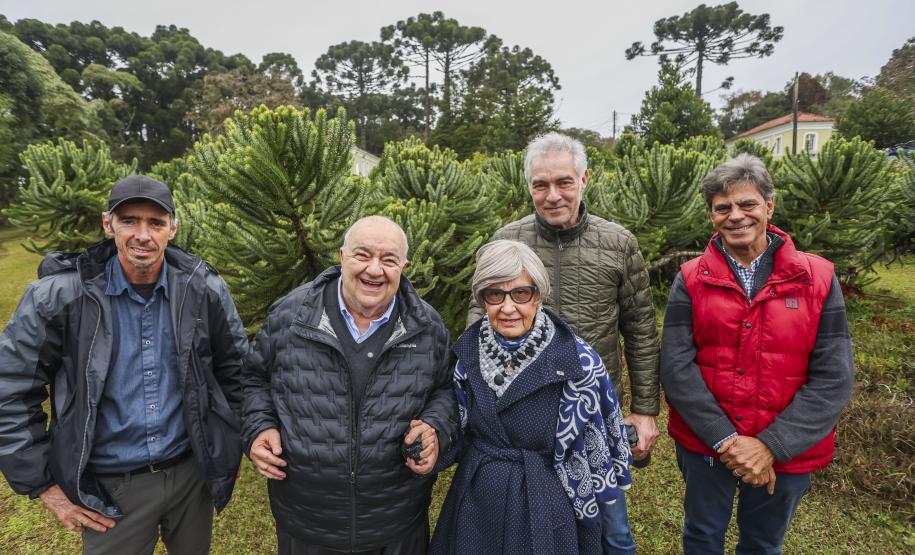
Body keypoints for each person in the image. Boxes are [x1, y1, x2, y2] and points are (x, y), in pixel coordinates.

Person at [0, 175, 250, 554]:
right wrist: (43, 486)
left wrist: (234, 441)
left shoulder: (203, 290)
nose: (143, 235)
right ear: (108, 223)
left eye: (156, 222)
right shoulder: (59, 297)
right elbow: (10, 391)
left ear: (173, 229)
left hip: (189, 475)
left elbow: (236, 371)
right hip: (111, 488)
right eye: (129, 220)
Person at [467, 132, 658, 554]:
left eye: (564, 182)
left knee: (614, 535)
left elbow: (641, 327)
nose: (552, 195)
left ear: (584, 179)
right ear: (529, 186)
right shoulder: (506, 241)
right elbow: (479, 325)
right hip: (523, 423)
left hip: (591, 418)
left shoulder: (618, 243)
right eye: (540, 185)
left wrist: (644, 410)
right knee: (528, 531)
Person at [660, 154, 854, 554]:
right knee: (702, 534)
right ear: (711, 215)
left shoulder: (817, 278)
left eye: (747, 204)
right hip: (706, 443)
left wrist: (770, 445)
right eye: (723, 207)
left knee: (763, 543)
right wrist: (726, 440)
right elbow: (676, 365)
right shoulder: (691, 277)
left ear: (769, 205)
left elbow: (834, 376)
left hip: (785, 448)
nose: (736, 216)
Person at [242, 215, 457, 554]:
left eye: (389, 260)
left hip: (395, 521)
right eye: (362, 255)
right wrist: (259, 426)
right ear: (342, 257)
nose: (374, 270)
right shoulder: (290, 316)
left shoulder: (427, 326)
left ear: (404, 266)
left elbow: (445, 389)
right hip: (308, 523)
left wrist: (436, 428)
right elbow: (253, 379)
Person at [431, 240, 632, 555]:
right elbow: (455, 427)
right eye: (495, 294)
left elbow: (599, 451)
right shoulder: (465, 355)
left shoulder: (579, 362)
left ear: (538, 295)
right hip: (478, 499)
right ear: (482, 298)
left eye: (521, 293)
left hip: (549, 502)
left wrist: (614, 537)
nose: (508, 308)